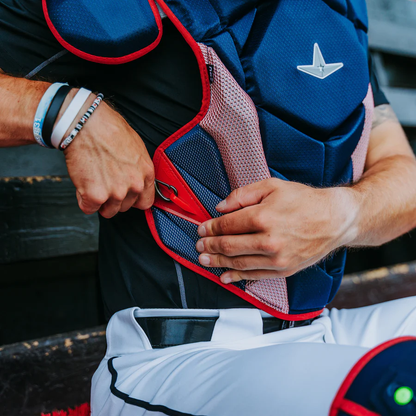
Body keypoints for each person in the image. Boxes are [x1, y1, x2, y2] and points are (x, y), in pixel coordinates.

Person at [0, 0, 416, 414]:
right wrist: (66, 112)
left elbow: (404, 176)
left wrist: (342, 215)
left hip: (323, 330)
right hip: (180, 360)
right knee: (393, 391)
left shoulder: (335, 11)